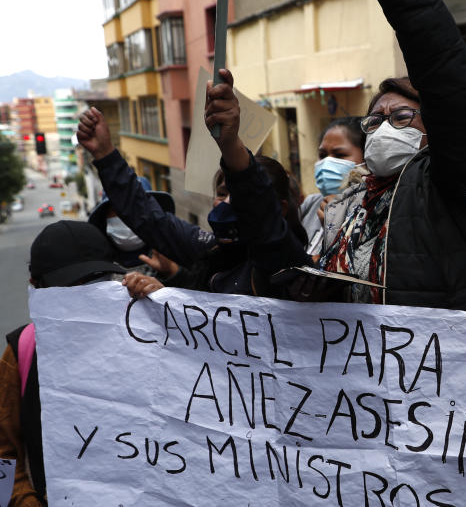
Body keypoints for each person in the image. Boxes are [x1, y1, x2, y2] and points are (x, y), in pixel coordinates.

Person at [313, 0, 466, 312]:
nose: (382, 129)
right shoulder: (351, 205)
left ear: (432, 128)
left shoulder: (450, 185)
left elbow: (450, 89)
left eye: (400, 117)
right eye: (375, 121)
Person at [76, 106, 309, 297]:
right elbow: (150, 218)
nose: (223, 203)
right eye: (220, 193)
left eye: (236, 195)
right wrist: (106, 155)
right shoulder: (211, 249)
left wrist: (229, 143)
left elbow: (259, 205)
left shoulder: (286, 263)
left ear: (279, 209)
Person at [1, 221, 129, 506]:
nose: (86, 296)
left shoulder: (143, 334)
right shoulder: (21, 352)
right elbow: (3, 451)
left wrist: (162, 304)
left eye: (98, 282)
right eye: (72, 287)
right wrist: (22, 501)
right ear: (37, 286)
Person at [300, 117, 366, 246]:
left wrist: (337, 230)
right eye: (322, 155)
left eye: (339, 155)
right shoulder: (312, 204)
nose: (326, 163)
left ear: (367, 158)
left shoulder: (374, 211)